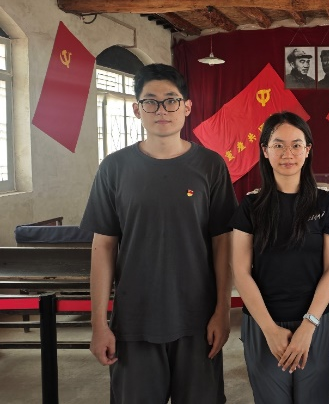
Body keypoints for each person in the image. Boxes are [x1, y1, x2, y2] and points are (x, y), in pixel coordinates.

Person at [81, 63, 238, 403]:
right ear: (137, 109)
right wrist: (98, 324)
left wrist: (223, 311)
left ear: (187, 107)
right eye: (150, 101)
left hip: (198, 322)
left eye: (171, 100)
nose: (161, 110)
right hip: (134, 323)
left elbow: (223, 244)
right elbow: (103, 247)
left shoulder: (210, 166)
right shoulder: (114, 168)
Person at [231, 111, 329, 404]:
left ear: (308, 150)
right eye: (278, 145)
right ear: (265, 150)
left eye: (296, 145)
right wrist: (269, 329)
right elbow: (240, 271)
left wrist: (309, 325)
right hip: (263, 322)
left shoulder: (326, 204)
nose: (287, 153)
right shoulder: (250, 206)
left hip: (316, 321)